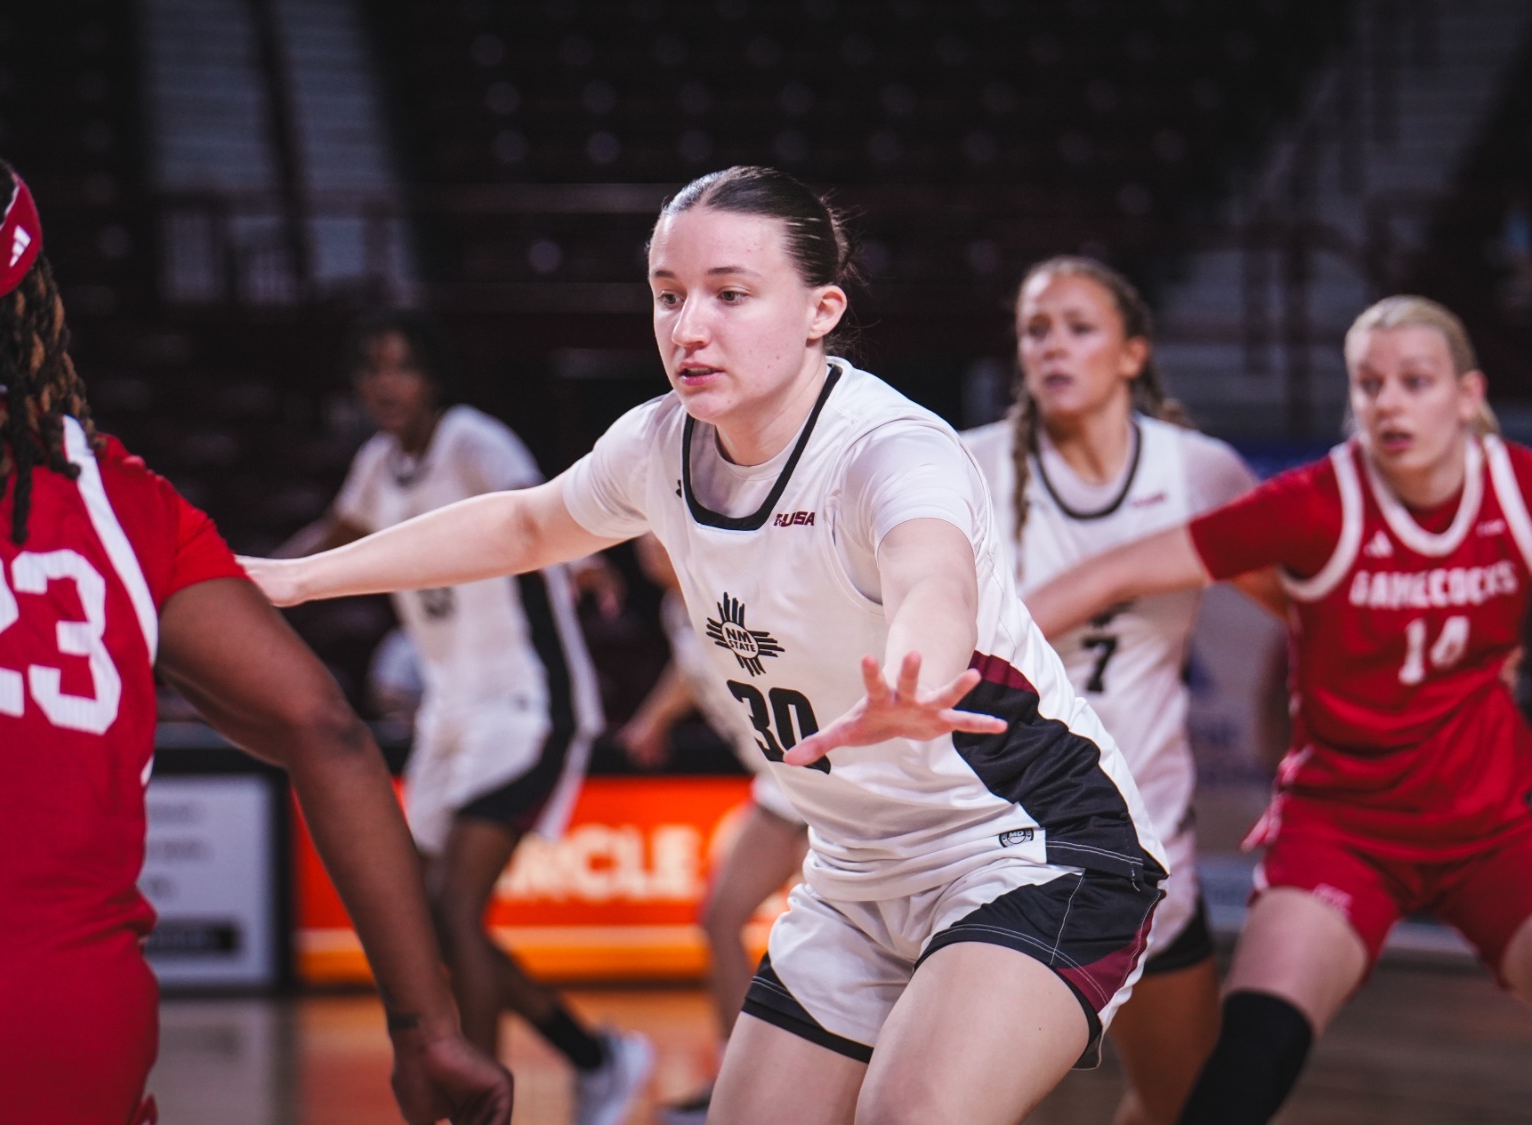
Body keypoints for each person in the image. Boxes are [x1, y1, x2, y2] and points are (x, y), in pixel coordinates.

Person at [242, 165, 1170, 1125]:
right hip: (855, 870)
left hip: (1034, 848)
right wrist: (296, 578)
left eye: (730, 295)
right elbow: (524, 526)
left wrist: (915, 669)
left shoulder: (890, 448)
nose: (688, 328)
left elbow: (933, 573)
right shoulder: (658, 445)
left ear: (821, 310)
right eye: (668, 295)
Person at [0, 136, 511, 1124]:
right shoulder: (118, 496)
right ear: (29, 298)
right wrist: (426, 1031)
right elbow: (325, 731)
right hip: (83, 1039)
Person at [1028, 294, 1532, 1125]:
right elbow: (1114, 571)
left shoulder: (1529, 491)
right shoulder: (1314, 502)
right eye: (1370, 385)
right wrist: (972, 651)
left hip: (1498, 827)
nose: (1391, 403)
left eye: (1416, 381)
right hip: (1343, 828)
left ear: (1468, 394)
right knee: (1247, 1065)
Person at [281, 309, 648, 1125]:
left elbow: (540, 508)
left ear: (433, 377)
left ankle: (483, 1105)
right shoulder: (377, 465)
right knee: (426, 915)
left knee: (453, 911)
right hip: (449, 714)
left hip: (527, 703)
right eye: (373, 367)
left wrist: (585, 565)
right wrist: (253, 581)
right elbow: (334, 537)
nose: (386, 383)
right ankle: (595, 1054)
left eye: (402, 365)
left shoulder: (474, 440)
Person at [962, 256, 1270, 1125]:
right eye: (1035, 329)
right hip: (996, 838)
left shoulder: (1203, 470)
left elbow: (1304, 606)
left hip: (1149, 835)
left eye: (1079, 327)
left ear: (1132, 352)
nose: (1054, 346)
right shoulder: (964, 466)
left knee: (1185, 1103)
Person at [618, 533, 810, 1125]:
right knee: (722, 916)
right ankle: (736, 1077)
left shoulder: (734, 591)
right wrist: (654, 718)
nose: (648, 544)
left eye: (658, 531)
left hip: (820, 784)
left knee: (844, 941)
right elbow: (688, 664)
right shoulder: (677, 605)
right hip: (780, 787)